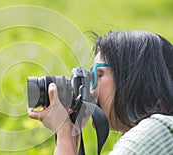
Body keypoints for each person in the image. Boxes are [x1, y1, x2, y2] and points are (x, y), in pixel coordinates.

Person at [28, 30, 173, 154]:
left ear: (133, 77)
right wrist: (68, 134)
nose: (90, 89)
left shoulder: (154, 130)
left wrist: (64, 131)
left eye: (99, 73)